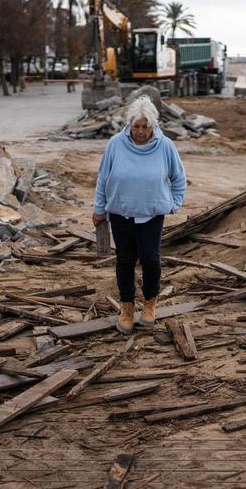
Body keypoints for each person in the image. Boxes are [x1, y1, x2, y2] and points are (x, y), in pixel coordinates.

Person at [93, 95, 187, 333]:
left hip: (151, 215)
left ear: (153, 125)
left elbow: (179, 178)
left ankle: (150, 304)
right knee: (124, 260)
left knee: (150, 259)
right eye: (137, 126)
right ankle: (126, 308)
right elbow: (103, 178)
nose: (141, 131)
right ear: (130, 125)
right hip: (120, 213)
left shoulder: (165, 146)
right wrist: (99, 209)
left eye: (146, 126)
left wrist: (174, 203)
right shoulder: (116, 143)